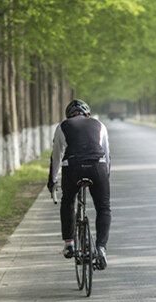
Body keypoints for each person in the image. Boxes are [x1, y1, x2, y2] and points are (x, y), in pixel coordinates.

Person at [47, 99, 111, 269]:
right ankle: (101, 248)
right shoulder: (100, 125)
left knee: (68, 201)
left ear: (68, 115)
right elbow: (106, 153)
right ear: (87, 114)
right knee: (103, 208)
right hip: (98, 167)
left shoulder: (63, 126)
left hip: (73, 168)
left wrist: (52, 181)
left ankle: (69, 243)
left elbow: (56, 156)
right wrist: (105, 177)